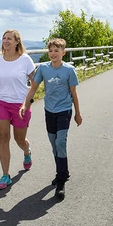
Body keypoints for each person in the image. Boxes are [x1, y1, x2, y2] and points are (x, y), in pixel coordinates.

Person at [20, 38, 82, 200]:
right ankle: (63, 171)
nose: (53, 53)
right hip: (49, 111)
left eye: (56, 51)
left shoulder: (69, 70)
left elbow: (74, 93)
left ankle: (60, 181)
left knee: (60, 142)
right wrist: (25, 105)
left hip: (64, 110)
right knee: (54, 145)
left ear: (63, 53)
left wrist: (78, 113)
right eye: (50, 51)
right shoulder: (43, 68)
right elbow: (33, 88)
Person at [0, 29, 36, 189]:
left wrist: (27, 103)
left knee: (19, 139)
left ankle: (27, 151)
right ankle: (5, 175)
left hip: (20, 104)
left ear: (17, 42)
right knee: (3, 137)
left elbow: (34, 83)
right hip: (1, 103)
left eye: (9, 38)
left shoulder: (25, 60)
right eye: (4, 38)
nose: (6, 41)